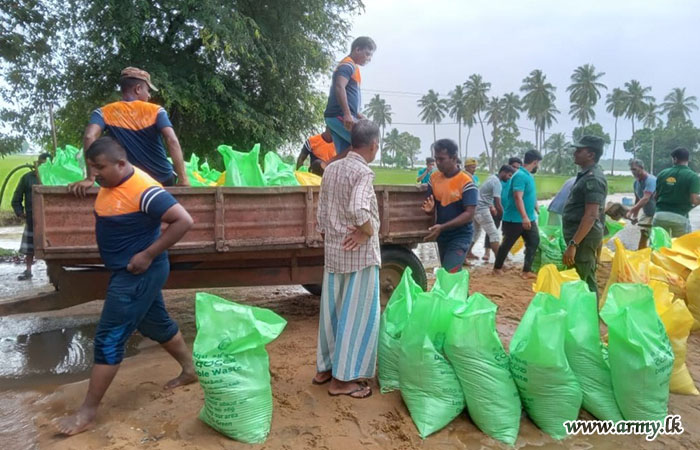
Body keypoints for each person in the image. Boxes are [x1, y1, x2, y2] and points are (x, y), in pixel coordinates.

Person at [55, 137, 196, 435]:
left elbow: (184, 220)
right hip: (130, 272)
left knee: (108, 337)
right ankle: (190, 369)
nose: (96, 174)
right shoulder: (111, 182)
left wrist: (147, 254)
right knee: (156, 324)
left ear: (121, 163)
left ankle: (87, 413)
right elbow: (97, 182)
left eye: (100, 168)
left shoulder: (144, 190)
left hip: (137, 273)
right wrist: (87, 179)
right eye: (92, 168)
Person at [313, 120, 381, 399]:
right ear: (374, 145)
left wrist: (332, 236)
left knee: (333, 314)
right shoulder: (363, 173)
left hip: (334, 254)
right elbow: (358, 209)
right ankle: (342, 381)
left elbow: (321, 215)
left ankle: (324, 370)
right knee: (357, 316)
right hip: (359, 256)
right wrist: (367, 232)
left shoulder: (331, 168)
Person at [70, 67, 189, 197]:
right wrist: (183, 179)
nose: (149, 95)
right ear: (138, 89)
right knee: (170, 171)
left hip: (127, 181)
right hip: (161, 180)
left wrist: (90, 178)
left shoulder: (104, 112)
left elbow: (89, 136)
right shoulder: (156, 111)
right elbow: (171, 140)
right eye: (148, 90)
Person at [421, 139, 478, 273]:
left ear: (454, 158)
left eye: (442, 159)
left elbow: (469, 214)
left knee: (449, 271)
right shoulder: (433, 178)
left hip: (460, 235)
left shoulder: (466, 182)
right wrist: (429, 211)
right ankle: (463, 294)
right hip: (441, 234)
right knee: (447, 273)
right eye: (436, 159)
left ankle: (462, 294)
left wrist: (442, 227)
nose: (438, 163)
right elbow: (431, 206)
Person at [562, 136, 608, 296]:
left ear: (591, 155)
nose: (575, 153)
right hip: (579, 235)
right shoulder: (586, 175)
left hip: (583, 238)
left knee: (585, 279)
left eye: (579, 150)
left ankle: (590, 318)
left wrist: (573, 245)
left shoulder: (593, 178)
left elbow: (591, 215)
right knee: (577, 277)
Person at [494, 149, 543, 279]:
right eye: (538, 164)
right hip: (515, 219)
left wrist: (535, 206)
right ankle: (497, 268)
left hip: (529, 218)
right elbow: (517, 197)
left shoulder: (527, 175)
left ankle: (526, 271)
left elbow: (529, 194)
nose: (538, 166)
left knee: (534, 241)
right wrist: (524, 217)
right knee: (507, 244)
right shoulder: (520, 176)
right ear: (535, 162)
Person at [324, 37, 376, 156]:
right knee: (366, 144)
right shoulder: (347, 65)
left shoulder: (353, 67)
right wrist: (347, 114)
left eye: (370, 56)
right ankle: (324, 166)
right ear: (357, 49)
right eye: (367, 54)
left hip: (341, 116)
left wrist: (356, 113)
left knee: (346, 154)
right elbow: (339, 86)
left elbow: (348, 93)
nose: (368, 59)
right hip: (340, 116)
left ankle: (328, 170)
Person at [12, 153, 51, 280]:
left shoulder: (53, 177)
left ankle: (53, 271)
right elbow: (16, 198)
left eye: (47, 164)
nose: (43, 167)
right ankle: (28, 270)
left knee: (51, 247)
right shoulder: (27, 178)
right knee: (30, 248)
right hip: (32, 218)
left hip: (51, 219)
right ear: (36, 164)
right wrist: (20, 212)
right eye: (41, 164)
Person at [470, 165, 516, 260]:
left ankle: (467, 253)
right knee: (494, 234)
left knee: (476, 233)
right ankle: (499, 261)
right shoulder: (497, 183)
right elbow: (498, 204)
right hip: (482, 209)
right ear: (503, 172)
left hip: (475, 207)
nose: (509, 178)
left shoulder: (491, 177)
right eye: (509, 175)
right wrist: (504, 217)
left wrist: (491, 205)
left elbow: (485, 194)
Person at [652, 147, 700, 237]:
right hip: (680, 216)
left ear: (674, 159)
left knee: (658, 246)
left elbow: (655, 197)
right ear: (688, 159)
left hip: (660, 215)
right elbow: (694, 200)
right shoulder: (693, 177)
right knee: (680, 247)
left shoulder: (662, 173)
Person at [484, 156, 522, 261]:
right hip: (496, 208)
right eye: (513, 167)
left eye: (517, 168)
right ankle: (487, 252)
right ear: (508, 167)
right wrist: (491, 205)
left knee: (507, 232)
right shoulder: (498, 179)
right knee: (491, 229)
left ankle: (504, 253)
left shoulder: (514, 179)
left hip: (508, 210)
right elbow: (490, 194)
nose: (515, 169)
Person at [626, 159, 657, 248]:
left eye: (635, 169)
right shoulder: (636, 183)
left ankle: (653, 255)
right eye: (631, 169)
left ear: (641, 168)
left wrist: (631, 210)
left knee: (654, 236)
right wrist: (635, 216)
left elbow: (645, 199)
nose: (633, 172)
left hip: (657, 213)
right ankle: (641, 252)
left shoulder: (650, 180)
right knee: (644, 233)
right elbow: (638, 200)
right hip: (647, 213)